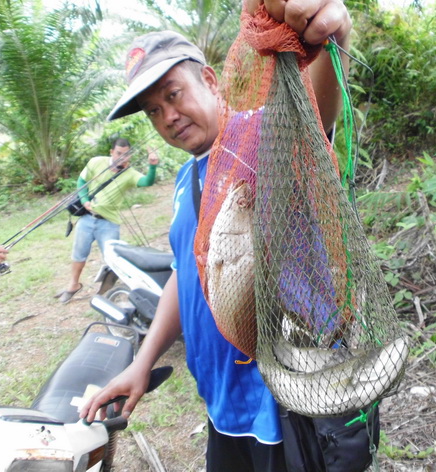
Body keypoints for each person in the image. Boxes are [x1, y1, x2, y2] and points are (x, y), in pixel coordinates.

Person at [80, 1, 351, 470]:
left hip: (284, 404)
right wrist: (141, 365)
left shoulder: (258, 135)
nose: (168, 115)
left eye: (173, 94)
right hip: (222, 405)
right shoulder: (187, 179)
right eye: (153, 110)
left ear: (209, 80)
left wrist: (334, 39)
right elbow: (184, 275)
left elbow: (313, 115)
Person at [55, 138, 160, 303]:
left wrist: (152, 165)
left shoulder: (130, 173)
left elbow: (147, 181)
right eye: (119, 154)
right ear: (112, 152)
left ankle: (113, 291)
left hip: (109, 222)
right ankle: (73, 285)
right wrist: (84, 201)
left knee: (113, 259)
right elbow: (82, 181)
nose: (122, 158)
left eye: (126, 155)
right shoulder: (96, 162)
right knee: (79, 254)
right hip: (87, 218)